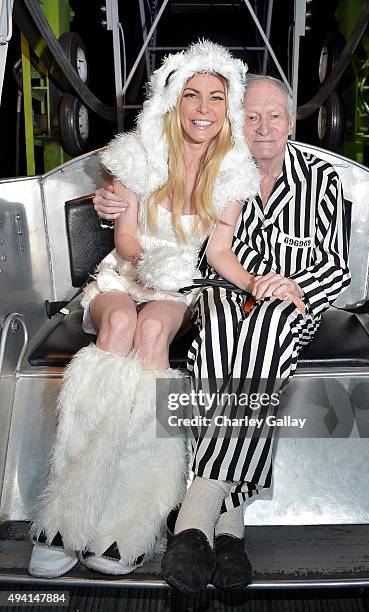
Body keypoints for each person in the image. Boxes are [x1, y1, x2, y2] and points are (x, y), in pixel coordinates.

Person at [94, 73, 351, 593]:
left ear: (291, 121)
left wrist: (290, 286)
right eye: (250, 115)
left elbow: (338, 266)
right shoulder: (226, 174)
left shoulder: (323, 179)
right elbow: (211, 253)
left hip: (294, 300)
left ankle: (201, 507)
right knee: (220, 334)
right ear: (238, 121)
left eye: (273, 115)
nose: (262, 126)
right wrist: (115, 205)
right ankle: (231, 530)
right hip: (223, 290)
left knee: (267, 328)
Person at [27, 40, 259, 579]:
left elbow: (219, 253)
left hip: (177, 288)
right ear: (173, 101)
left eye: (216, 98)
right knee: (120, 323)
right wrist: (146, 265)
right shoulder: (138, 153)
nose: (203, 109)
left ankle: (128, 523)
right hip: (126, 274)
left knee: (153, 334)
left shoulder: (235, 173)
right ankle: (64, 516)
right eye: (192, 96)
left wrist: (258, 284)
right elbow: (127, 242)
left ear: (229, 107)